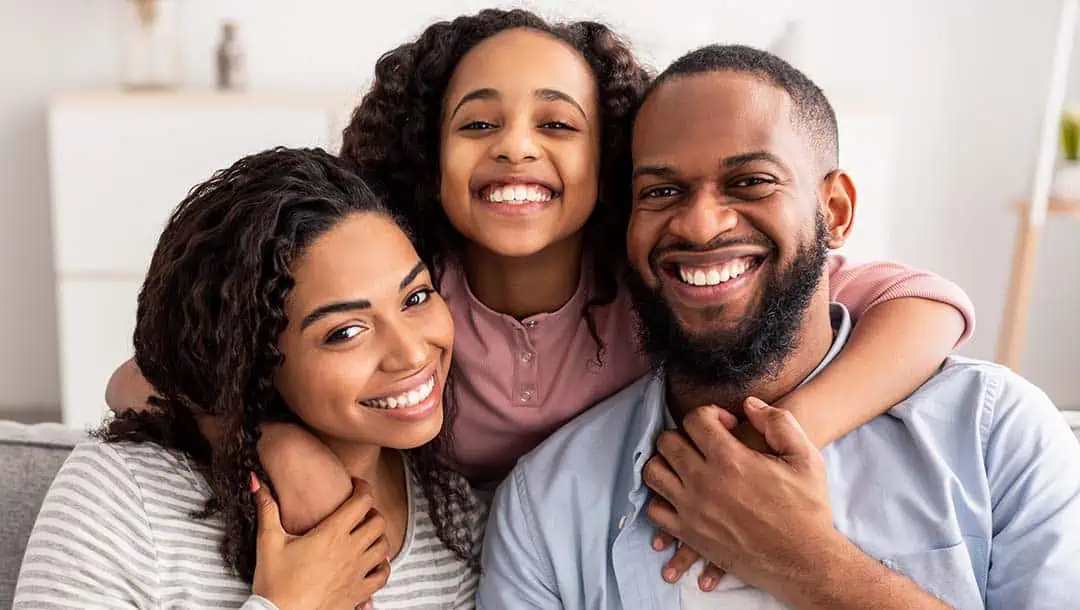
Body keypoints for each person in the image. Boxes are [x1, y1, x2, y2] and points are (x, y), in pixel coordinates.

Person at [107, 9, 975, 588]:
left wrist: (783, 440)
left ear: (614, 161)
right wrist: (268, 436)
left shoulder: (660, 282)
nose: (516, 148)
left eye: (558, 125)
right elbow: (139, 377)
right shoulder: (413, 300)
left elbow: (925, 306)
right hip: (505, 561)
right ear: (426, 154)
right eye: (478, 124)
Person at [477, 45, 1080, 609]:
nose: (701, 225)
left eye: (750, 182)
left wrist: (814, 566)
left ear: (835, 211)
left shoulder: (997, 435)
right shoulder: (547, 505)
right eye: (661, 191)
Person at [15, 148, 482, 609]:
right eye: (345, 332)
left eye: (416, 297)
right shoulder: (124, 496)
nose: (412, 352)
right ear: (256, 357)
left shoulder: (450, 516)